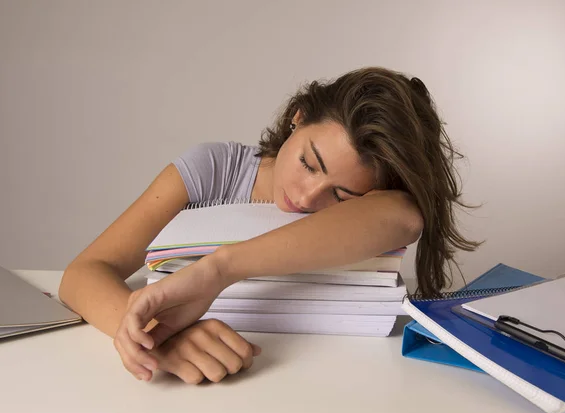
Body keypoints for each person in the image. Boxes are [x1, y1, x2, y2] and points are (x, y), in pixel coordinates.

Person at [59, 66, 480, 384]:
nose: (307, 197)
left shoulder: (380, 210)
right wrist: (159, 339)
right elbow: (83, 274)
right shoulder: (213, 171)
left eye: (340, 196)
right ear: (297, 118)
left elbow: (405, 217)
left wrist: (216, 270)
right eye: (308, 164)